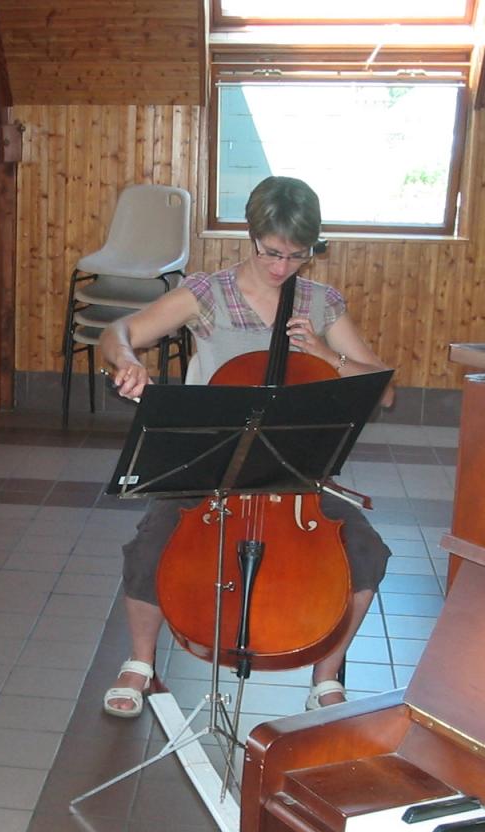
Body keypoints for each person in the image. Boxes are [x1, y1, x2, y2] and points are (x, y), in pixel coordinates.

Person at [98, 176, 395, 717]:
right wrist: (127, 361)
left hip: (292, 473)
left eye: (297, 255)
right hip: (214, 465)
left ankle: (325, 677)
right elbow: (118, 331)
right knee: (149, 547)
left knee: (367, 553)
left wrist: (330, 357)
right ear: (251, 236)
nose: (282, 267)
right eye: (271, 252)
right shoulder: (208, 294)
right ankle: (140, 662)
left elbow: (384, 386)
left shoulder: (321, 303)